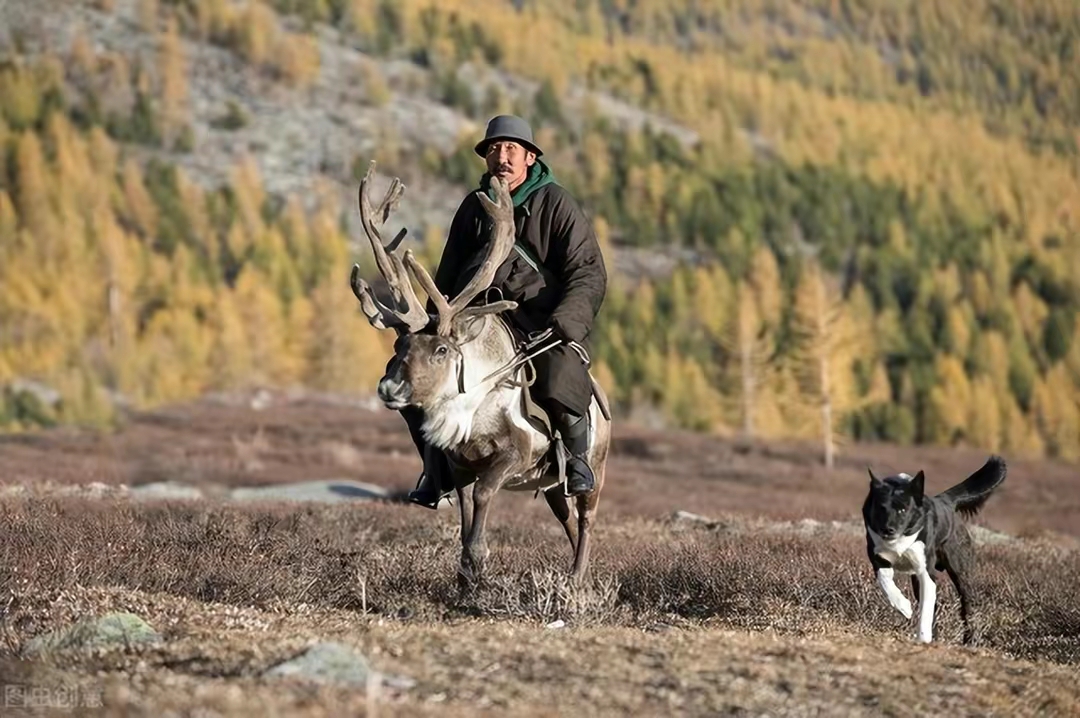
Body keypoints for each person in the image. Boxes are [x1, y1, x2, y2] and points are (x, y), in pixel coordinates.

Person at [402, 114, 607, 509]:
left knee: (559, 377)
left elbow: (588, 271)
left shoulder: (555, 203)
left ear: (530, 157)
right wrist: (432, 328)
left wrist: (568, 319)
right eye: (495, 149)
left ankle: (577, 462)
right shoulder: (472, 208)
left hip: (538, 324)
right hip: (474, 325)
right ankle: (436, 471)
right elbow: (446, 275)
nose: (503, 157)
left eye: (512, 149)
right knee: (413, 382)